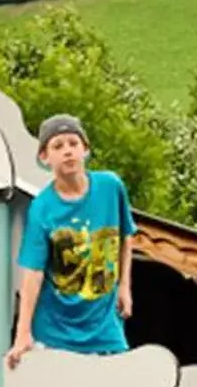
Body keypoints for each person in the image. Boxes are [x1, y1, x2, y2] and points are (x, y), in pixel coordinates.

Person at [10, 114, 135, 367]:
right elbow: (32, 273)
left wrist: (124, 286)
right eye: (58, 146)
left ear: (85, 150)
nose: (67, 151)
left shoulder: (111, 186)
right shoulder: (42, 208)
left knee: (118, 383)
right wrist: (23, 332)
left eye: (73, 144)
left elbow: (125, 236)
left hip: (103, 322)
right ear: (45, 157)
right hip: (57, 326)